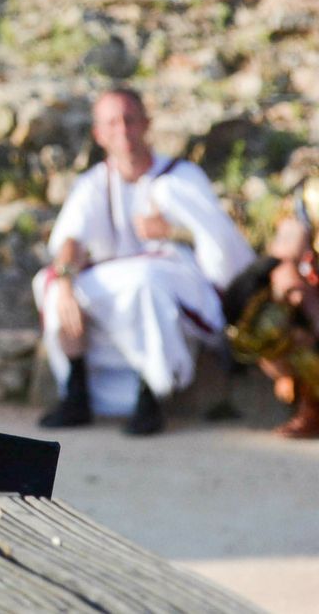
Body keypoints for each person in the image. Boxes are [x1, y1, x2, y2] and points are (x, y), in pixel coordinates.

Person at [34, 88, 255, 436]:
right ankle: (77, 393)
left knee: (146, 280)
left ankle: (150, 395)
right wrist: (63, 281)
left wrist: (174, 232)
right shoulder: (94, 183)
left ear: (146, 124)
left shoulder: (180, 177)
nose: (122, 130)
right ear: (99, 134)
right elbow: (71, 239)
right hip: (120, 281)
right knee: (49, 283)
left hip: (176, 281)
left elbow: (220, 245)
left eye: (129, 120)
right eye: (112, 122)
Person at [222, 169, 319, 438]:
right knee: (264, 318)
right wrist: (308, 306)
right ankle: (310, 404)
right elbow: (283, 259)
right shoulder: (313, 196)